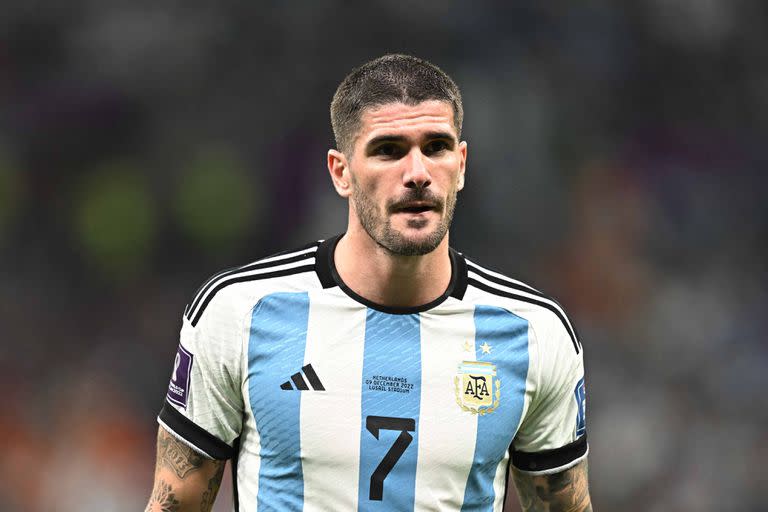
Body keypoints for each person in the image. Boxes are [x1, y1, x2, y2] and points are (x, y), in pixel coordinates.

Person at [146, 54, 592, 512]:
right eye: (389, 150)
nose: (417, 173)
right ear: (341, 172)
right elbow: (175, 500)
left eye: (436, 146)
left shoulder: (535, 333)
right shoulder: (238, 312)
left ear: (460, 165)